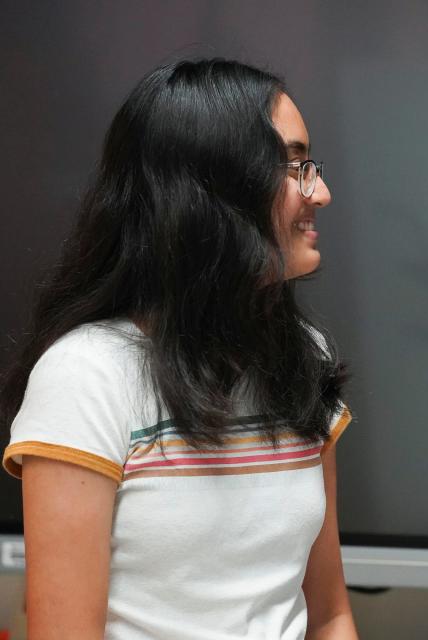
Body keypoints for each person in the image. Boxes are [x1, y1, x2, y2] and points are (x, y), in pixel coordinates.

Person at [0, 59, 359, 639]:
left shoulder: (305, 356)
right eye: (294, 165)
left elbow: (330, 616)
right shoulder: (87, 374)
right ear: (214, 190)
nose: (321, 191)